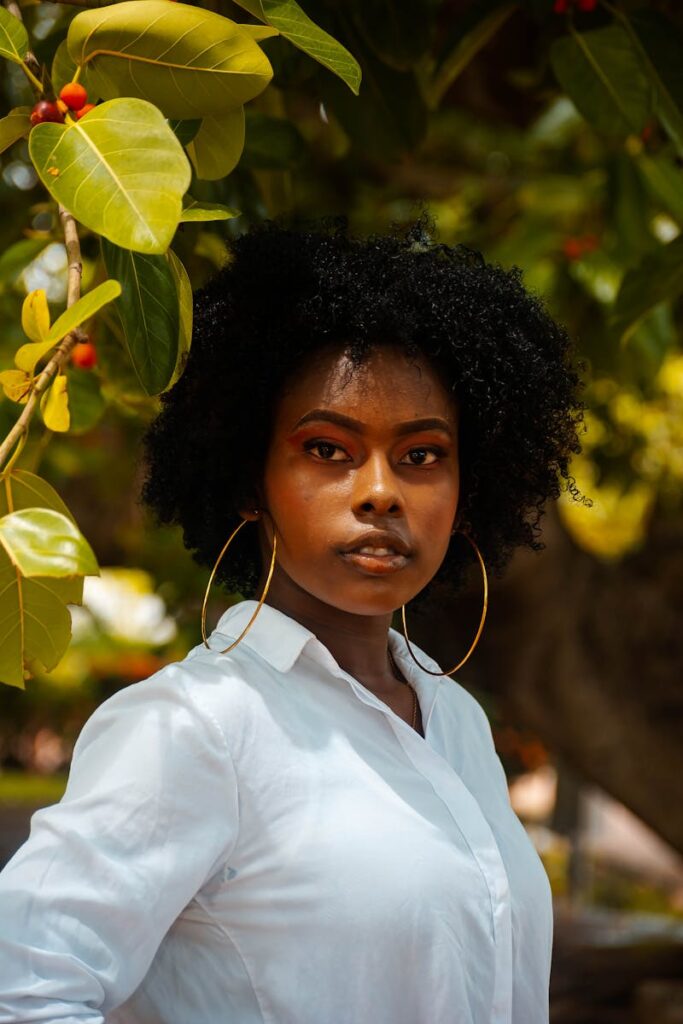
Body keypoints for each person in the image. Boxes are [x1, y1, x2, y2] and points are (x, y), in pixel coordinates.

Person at [0, 214, 586, 1023]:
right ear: (250, 479)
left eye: (421, 455)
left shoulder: (453, 720)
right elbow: (23, 989)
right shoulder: (191, 729)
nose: (380, 491)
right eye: (326, 449)